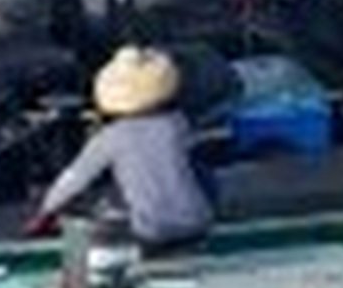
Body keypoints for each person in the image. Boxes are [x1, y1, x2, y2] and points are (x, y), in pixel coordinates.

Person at [25, 45, 213, 252]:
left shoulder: (111, 137)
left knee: (98, 217)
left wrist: (44, 212)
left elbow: (74, 179)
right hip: (198, 222)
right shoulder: (176, 123)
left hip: (152, 231)